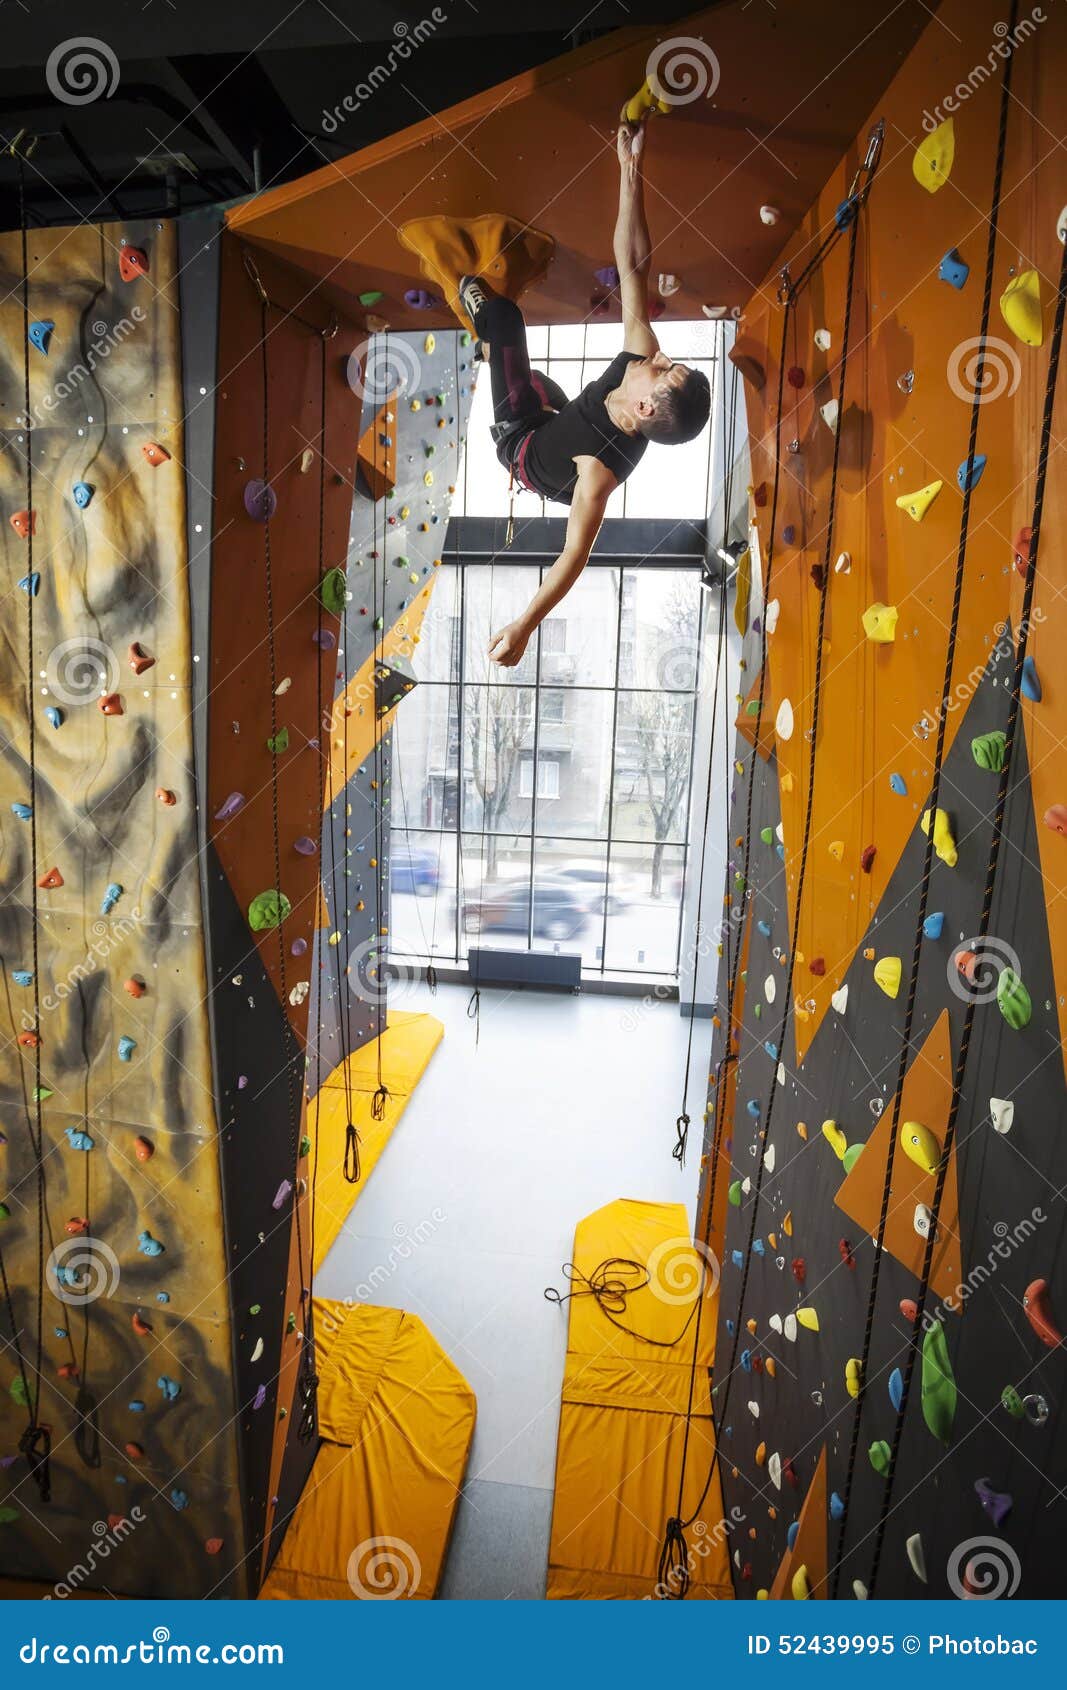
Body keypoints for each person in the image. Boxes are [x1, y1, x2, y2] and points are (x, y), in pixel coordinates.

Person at [457, 117, 711, 669]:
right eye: (672, 362)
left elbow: (573, 558)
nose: (660, 356)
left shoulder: (601, 472)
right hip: (557, 412)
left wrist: (523, 627)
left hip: (521, 441)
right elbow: (635, 265)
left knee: (502, 318)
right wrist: (631, 169)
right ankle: (491, 359)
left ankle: (481, 326)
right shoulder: (639, 355)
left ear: (644, 409)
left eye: (665, 371)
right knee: (534, 379)